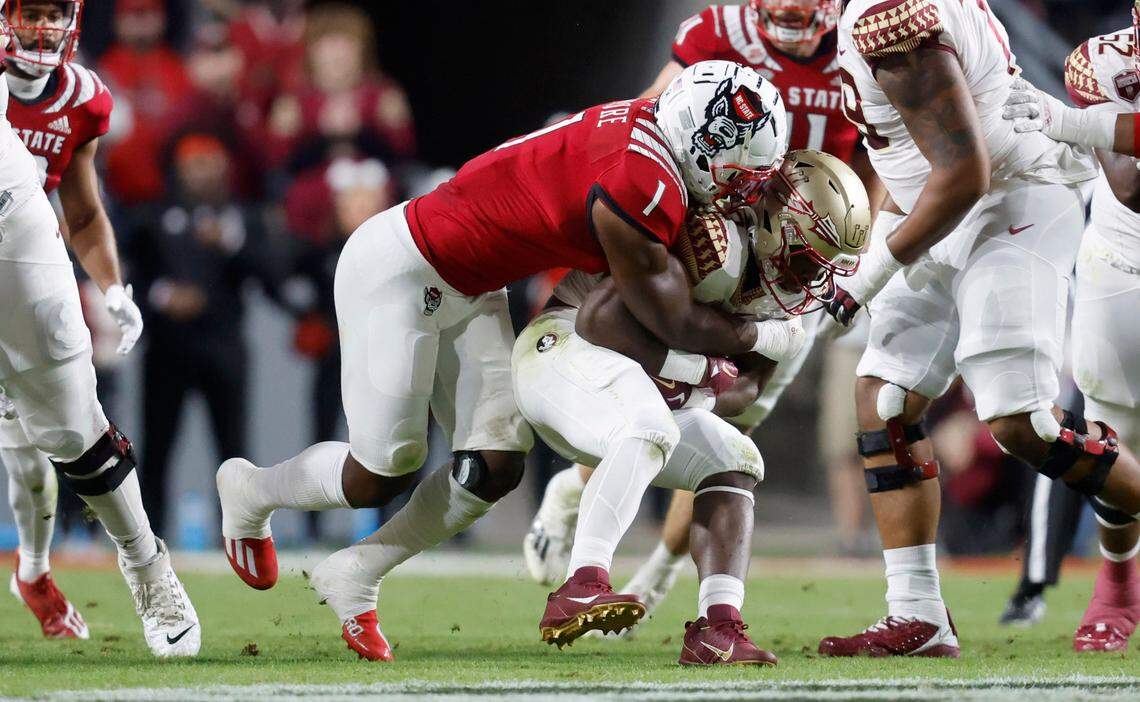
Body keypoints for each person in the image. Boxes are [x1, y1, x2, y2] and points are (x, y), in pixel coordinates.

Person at [217, 59, 792, 661]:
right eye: (740, 172)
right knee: (382, 469)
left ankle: (356, 571)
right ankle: (251, 490)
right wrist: (760, 339)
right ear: (705, 145)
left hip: (473, 283)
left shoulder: (656, 136)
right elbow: (666, 319)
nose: (742, 191)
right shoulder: (639, 179)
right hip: (399, 268)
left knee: (492, 465)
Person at [523, 0, 879, 624]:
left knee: (729, 430)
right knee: (669, 401)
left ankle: (656, 577)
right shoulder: (717, 33)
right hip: (721, 246)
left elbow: (876, 162)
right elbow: (654, 115)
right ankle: (580, 496)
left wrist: (856, 245)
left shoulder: (862, 45)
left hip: (802, 271)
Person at [815, 0, 1140, 658]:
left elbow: (965, 174)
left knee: (1022, 425)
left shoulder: (892, 16)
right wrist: (876, 234)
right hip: (936, 203)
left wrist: (861, 281)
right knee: (884, 397)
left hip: (1007, 198)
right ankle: (918, 614)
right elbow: (904, 143)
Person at [514, 149, 867, 662]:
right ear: (774, 222)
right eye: (807, 258)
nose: (813, 280)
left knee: (736, 459)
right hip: (561, 351)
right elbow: (601, 319)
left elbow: (748, 389)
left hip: (632, 386)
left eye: (825, 266)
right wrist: (701, 370)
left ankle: (717, 627)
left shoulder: (785, 299)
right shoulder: (710, 239)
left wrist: (708, 382)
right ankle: (583, 582)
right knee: (649, 421)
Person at [0, 0, 198, 656]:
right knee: (25, 468)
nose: (43, 27)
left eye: (54, 13)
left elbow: (82, 212)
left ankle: (146, 565)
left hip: (20, 244)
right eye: (29, 12)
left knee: (71, 434)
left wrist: (112, 287)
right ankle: (33, 571)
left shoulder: (82, 98)